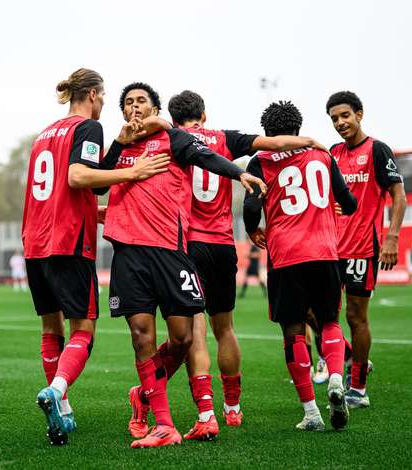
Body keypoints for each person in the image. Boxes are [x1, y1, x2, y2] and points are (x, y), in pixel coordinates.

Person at [102, 82, 266, 448]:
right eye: (127, 103)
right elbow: (98, 182)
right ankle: (164, 424)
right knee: (141, 335)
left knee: (183, 337)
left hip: (172, 250)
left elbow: (206, 157)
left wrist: (238, 173)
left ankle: (142, 394)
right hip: (128, 251)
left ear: (156, 107)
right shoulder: (120, 147)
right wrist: (119, 144)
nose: (134, 107)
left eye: (141, 101)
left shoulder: (173, 140)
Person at [25, 68, 172, 446]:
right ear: (91, 94)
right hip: (69, 242)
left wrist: (115, 161)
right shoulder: (87, 128)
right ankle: (57, 391)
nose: (105, 103)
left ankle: (63, 409)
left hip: (35, 242)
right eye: (104, 96)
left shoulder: (44, 134)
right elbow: (77, 177)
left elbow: (68, 185)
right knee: (83, 332)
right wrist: (134, 172)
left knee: (50, 329)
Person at [166, 89, 325, 440]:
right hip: (223, 245)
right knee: (225, 328)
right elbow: (271, 143)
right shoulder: (225, 138)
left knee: (196, 330)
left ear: (174, 120)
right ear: (204, 115)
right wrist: (310, 140)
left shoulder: (172, 139)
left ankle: (206, 410)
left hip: (189, 245)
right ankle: (233, 409)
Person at [243, 100, 357, 431]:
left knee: (293, 332)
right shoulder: (323, 155)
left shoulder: (259, 160)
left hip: (286, 257)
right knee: (330, 321)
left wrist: (254, 229)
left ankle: (311, 413)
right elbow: (348, 203)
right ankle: (336, 377)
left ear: (267, 134)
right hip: (325, 254)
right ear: (297, 129)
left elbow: (252, 208)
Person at [327, 91, 406, 408]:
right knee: (314, 313)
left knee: (355, 316)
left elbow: (399, 196)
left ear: (359, 114)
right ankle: (349, 355)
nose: (340, 123)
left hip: (362, 247)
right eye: (334, 118)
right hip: (330, 248)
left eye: (345, 115)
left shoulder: (377, 150)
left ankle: (358, 387)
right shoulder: (332, 152)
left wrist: (392, 237)